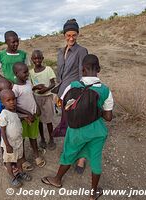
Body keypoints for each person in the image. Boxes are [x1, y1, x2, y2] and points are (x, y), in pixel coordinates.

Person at [41, 54, 114, 200]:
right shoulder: (106, 90)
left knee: (69, 153)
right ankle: (93, 193)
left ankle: (57, 180)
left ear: (82, 69)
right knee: (95, 159)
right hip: (97, 131)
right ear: (98, 69)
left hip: (76, 130)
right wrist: (94, 110)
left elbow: (61, 104)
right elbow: (108, 117)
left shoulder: (72, 85)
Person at [53, 19, 88, 173]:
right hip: (63, 94)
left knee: (78, 126)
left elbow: (83, 75)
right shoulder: (61, 52)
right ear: (64, 35)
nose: (71, 38)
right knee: (69, 126)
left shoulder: (82, 51)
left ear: (78, 34)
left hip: (75, 94)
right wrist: (57, 94)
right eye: (68, 35)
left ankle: (81, 158)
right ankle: (72, 152)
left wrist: (80, 97)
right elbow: (59, 76)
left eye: (74, 35)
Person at [12, 62, 46, 170]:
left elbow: (31, 94)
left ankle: (36, 155)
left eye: (27, 71)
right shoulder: (15, 89)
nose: (27, 74)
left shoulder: (27, 82)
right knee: (21, 139)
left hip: (33, 115)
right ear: (16, 73)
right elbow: (15, 106)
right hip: (23, 118)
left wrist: (37, 107)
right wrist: (27, 114)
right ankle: (22, 159)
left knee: (33, 137)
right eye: (25, 72)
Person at [0, 89, 32, 188]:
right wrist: (7, 145)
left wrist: (25, 117)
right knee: (9, 161)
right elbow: (2, 132)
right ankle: (12, 177)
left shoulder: (14, 112)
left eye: (13, 99)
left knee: (19, 159)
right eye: (8, 100)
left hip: (18, 141)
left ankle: (20, 172)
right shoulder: (3, 114)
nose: (12, 102)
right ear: (3, 102)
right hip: (9, 143)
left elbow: (15, 120)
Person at [29, 50, 56, 150]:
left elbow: (53, 83)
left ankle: (51, 138)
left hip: (48, 97)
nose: (37, 60)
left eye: (39, 58)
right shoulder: (30, 73)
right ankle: (43, 139)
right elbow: (30, 87)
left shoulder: (48, 69)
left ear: (42, 58)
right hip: (36, 98)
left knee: (48, 120)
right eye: (35, 58)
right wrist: (36, 87)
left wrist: (45, 89)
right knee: (39, 120)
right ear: (32, 59)